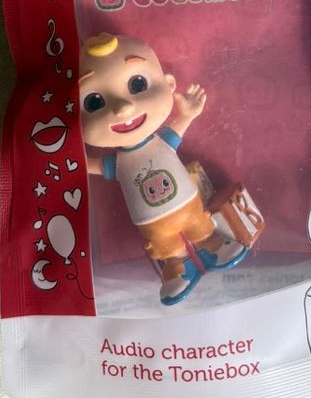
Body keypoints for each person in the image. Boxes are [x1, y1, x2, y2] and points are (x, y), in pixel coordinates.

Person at [78, 32, 247, 305]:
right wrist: (67, 155)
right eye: (94, 102)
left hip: (188, 206)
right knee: (167, 247)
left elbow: (180, 126)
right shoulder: (118, 163)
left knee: (201, 227)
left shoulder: (162, 142)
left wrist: (188, 113)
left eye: (137, 84)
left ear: (169, 84)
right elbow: (85, 165)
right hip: (153, 224)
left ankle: (212, 246)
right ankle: (176, 269)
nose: (122, 108)